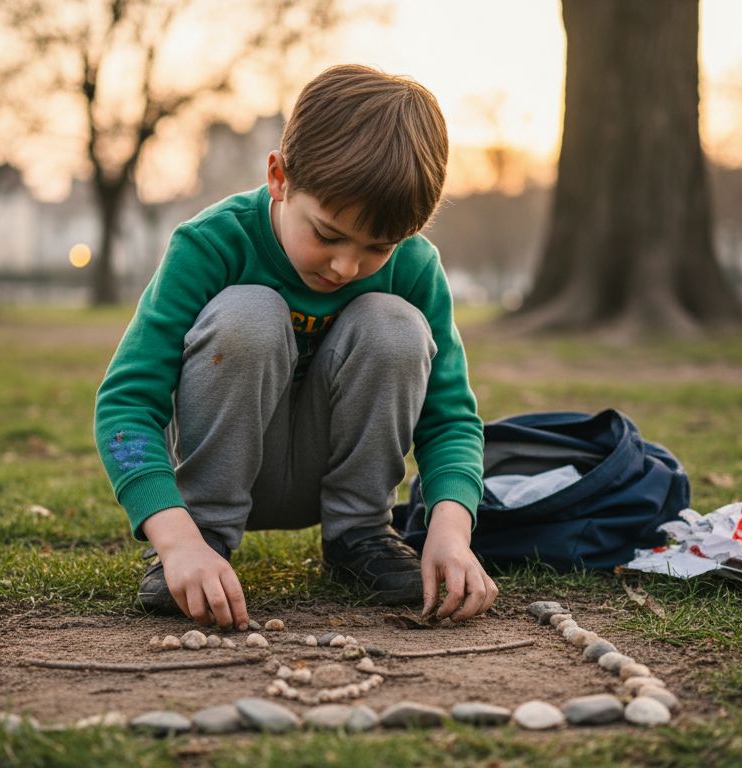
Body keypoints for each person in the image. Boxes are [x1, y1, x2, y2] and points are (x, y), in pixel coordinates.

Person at [94, 64, 496, 632]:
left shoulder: (414, 269)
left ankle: (358, 538)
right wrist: (177, 539)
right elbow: (127, 403)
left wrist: (450, 533)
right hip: (218, 483)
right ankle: (208, 535)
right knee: (248, 313)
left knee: (396, 325)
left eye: (377, 247)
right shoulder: (210, 243)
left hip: (335, 479)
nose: (346, 266)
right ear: (280, 177)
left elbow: (450, 418)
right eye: (328, 234)